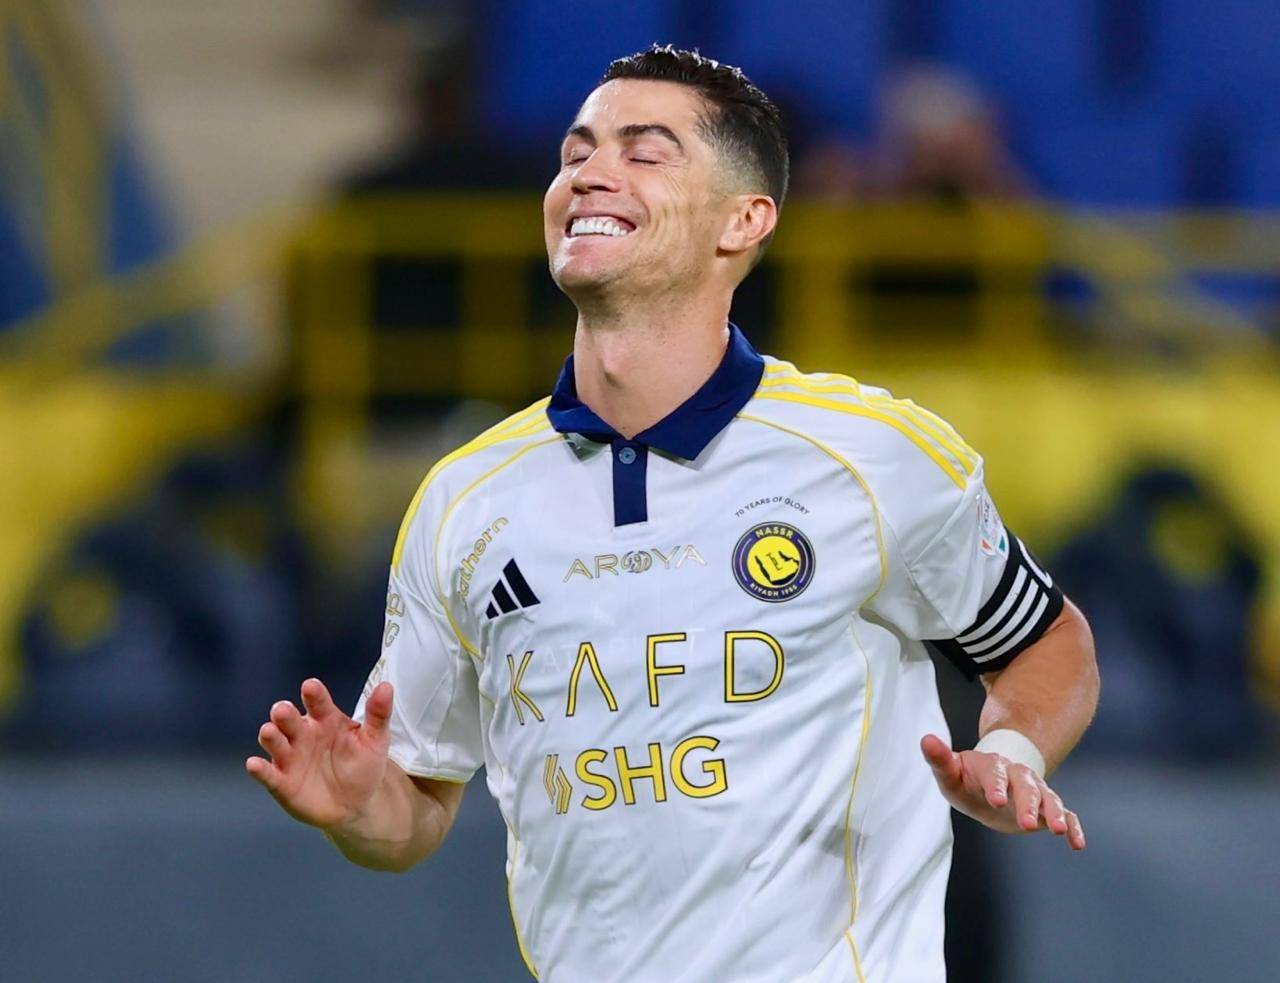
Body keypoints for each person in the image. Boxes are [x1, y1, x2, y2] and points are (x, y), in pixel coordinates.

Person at [246, 45, 1099, 982]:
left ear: (744, 219)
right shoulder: (464, 498)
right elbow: (417, 805)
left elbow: (1048, 641)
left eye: (643, 152)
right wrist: (363, 808)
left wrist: (1011, 747)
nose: (589, 173)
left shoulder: (870, 455)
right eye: (576, 152)